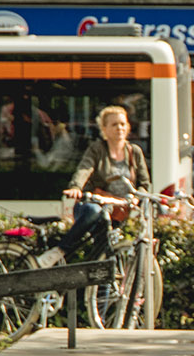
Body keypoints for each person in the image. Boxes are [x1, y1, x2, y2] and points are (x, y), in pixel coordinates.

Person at [36, 104, 150, 267]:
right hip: (94, 203)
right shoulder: (97, 149)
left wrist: (137, 197)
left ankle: (103, 292)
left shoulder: (135, 152)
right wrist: (76, 187)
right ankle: (59, 251)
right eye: (114, 124)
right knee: (94, 211)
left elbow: (144, 182)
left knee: (107, 255)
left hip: (119, 210)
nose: (120, 128)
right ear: (104, 128)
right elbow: (85, 168)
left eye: (123, 124)